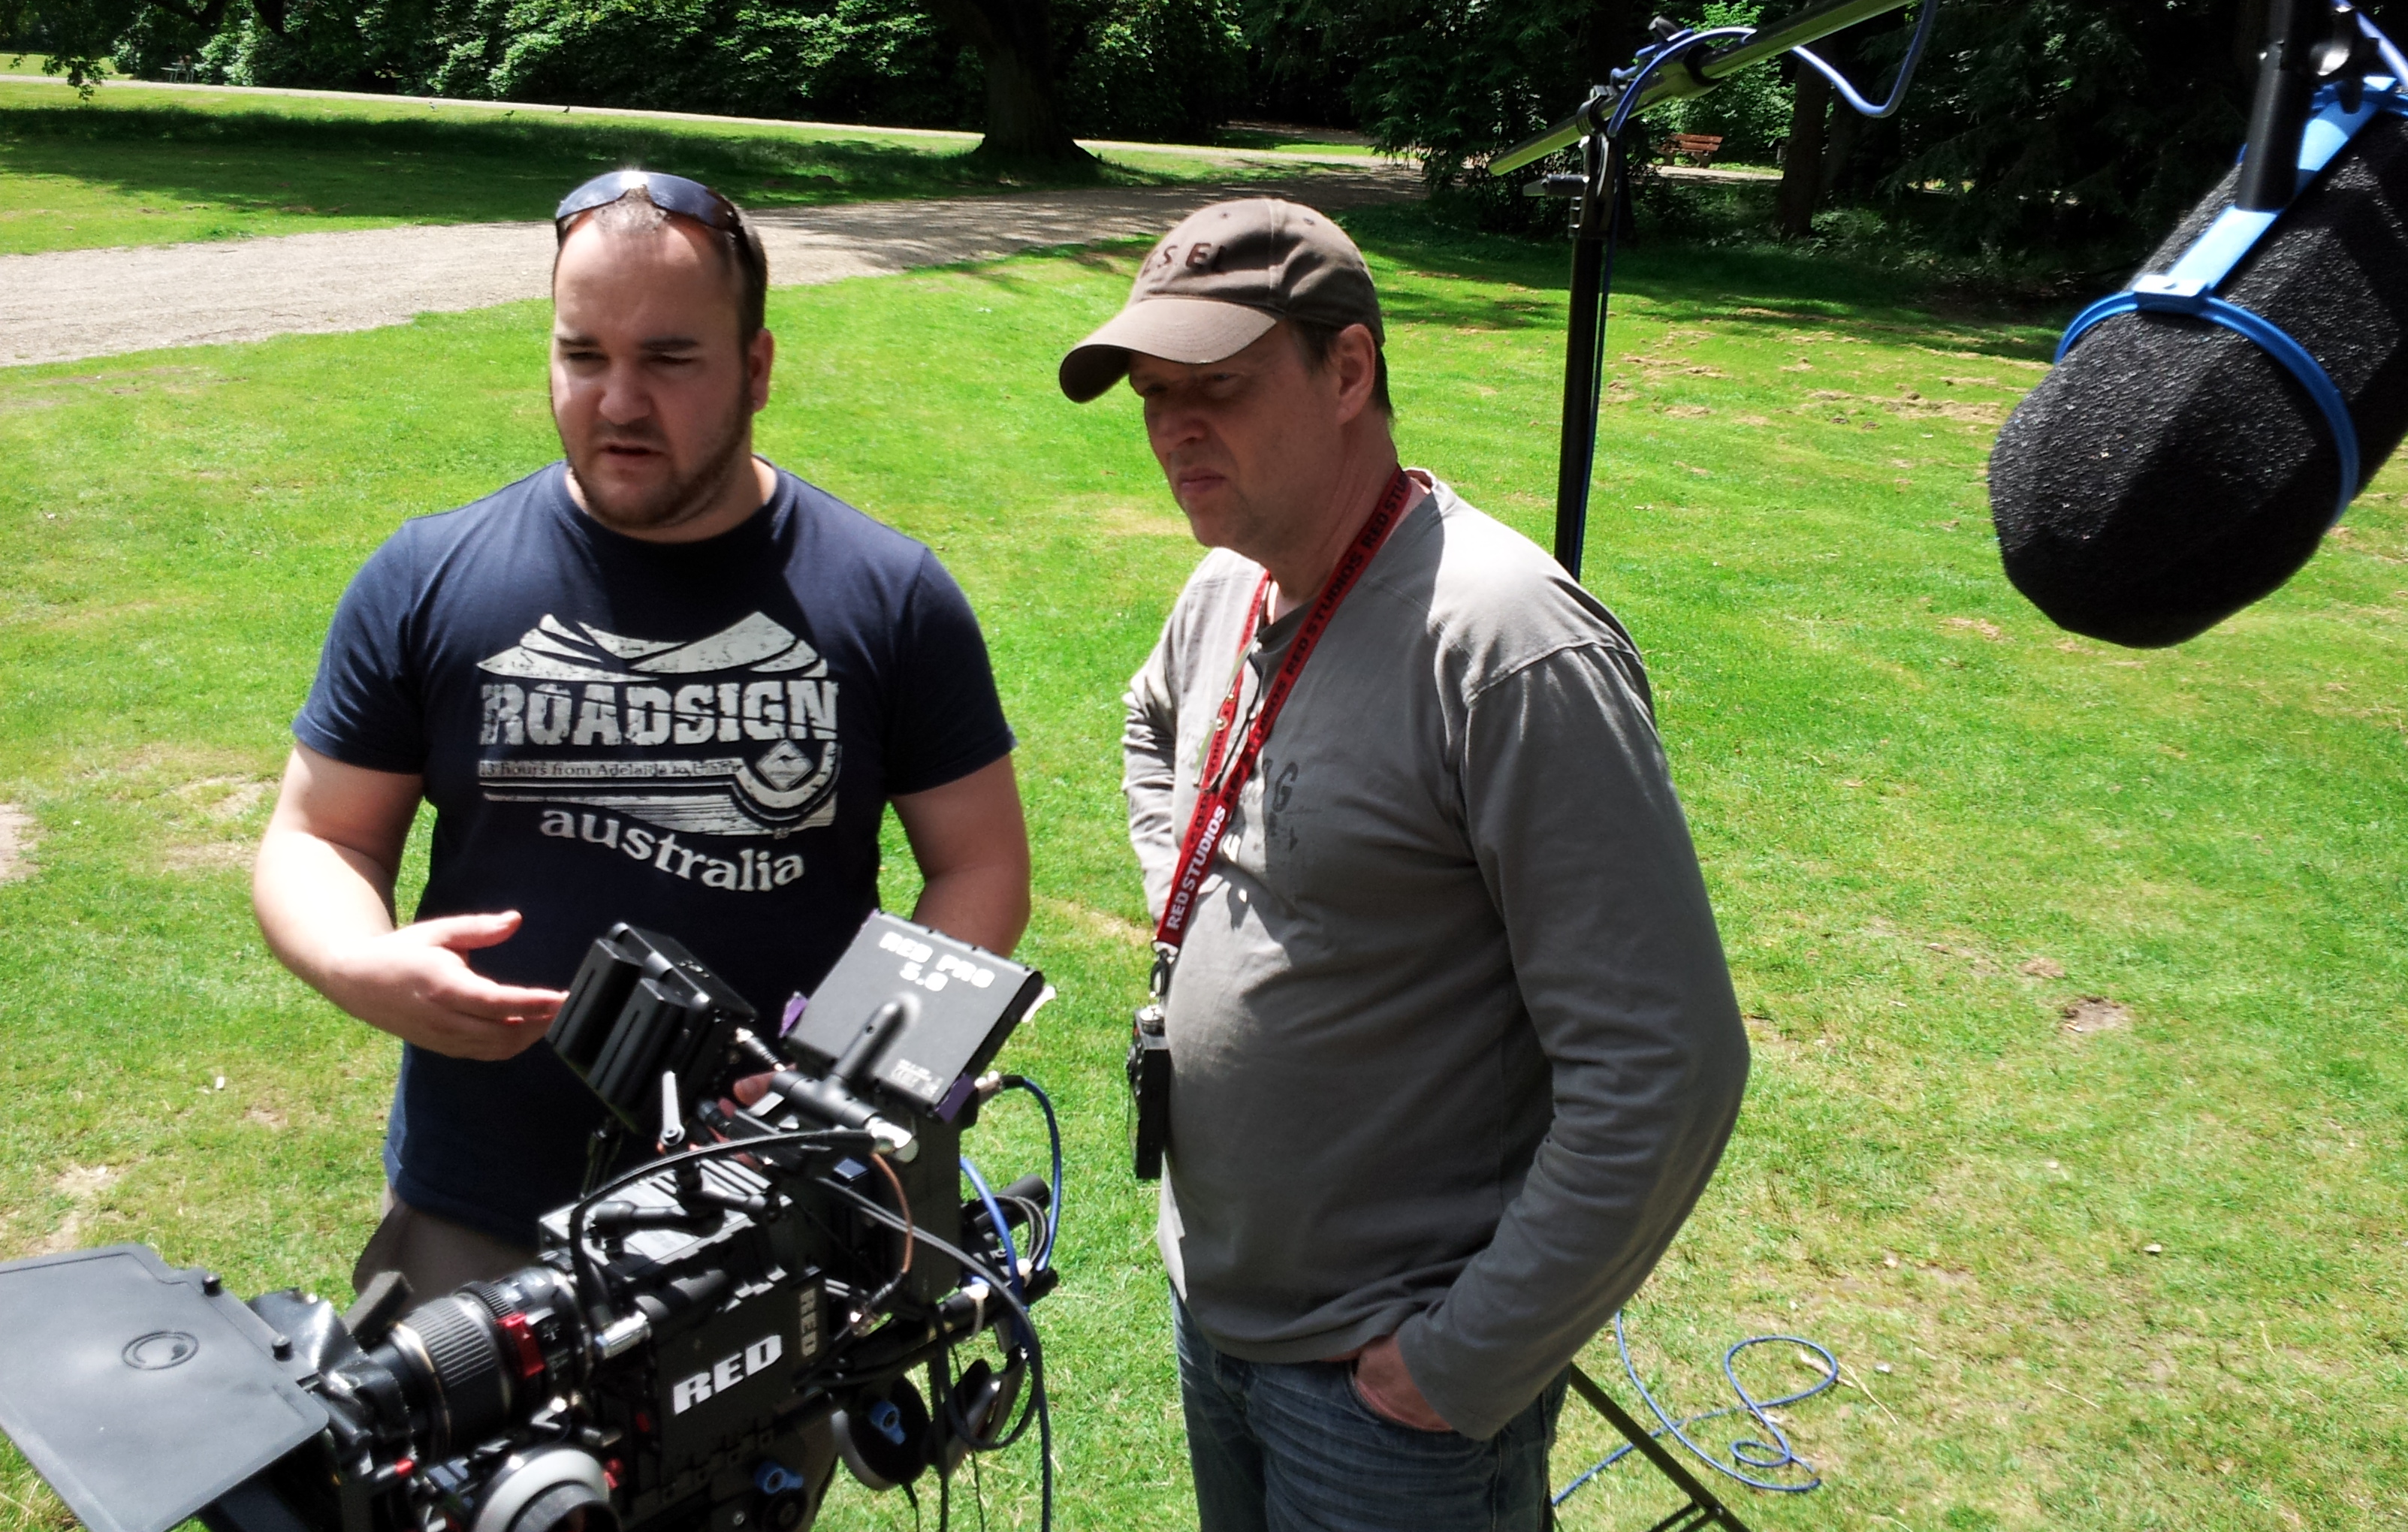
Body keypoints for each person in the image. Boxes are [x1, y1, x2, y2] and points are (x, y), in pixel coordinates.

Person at [1058, 198, 1749, 1529]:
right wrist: (1182, 894)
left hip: (1389, 1390)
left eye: (1217, 387)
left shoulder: (1506, 646)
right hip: (1225, 1313)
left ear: (1350, 370)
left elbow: (1666, 1064)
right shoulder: (1231, 587)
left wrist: (1465, 1358)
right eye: (1153, 395)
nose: (1172, 430)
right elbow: (1152, 727)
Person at [255, 170, 1029, 1303]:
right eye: (583, 356)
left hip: (765, 1218)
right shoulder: (431, 578)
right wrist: (355, 960)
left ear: (757, 368)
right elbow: (320, 835)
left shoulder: (888, 596)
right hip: (479, 1214)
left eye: (670, 360)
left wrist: (846, 1083)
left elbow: (981, 865)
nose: (618, 402)